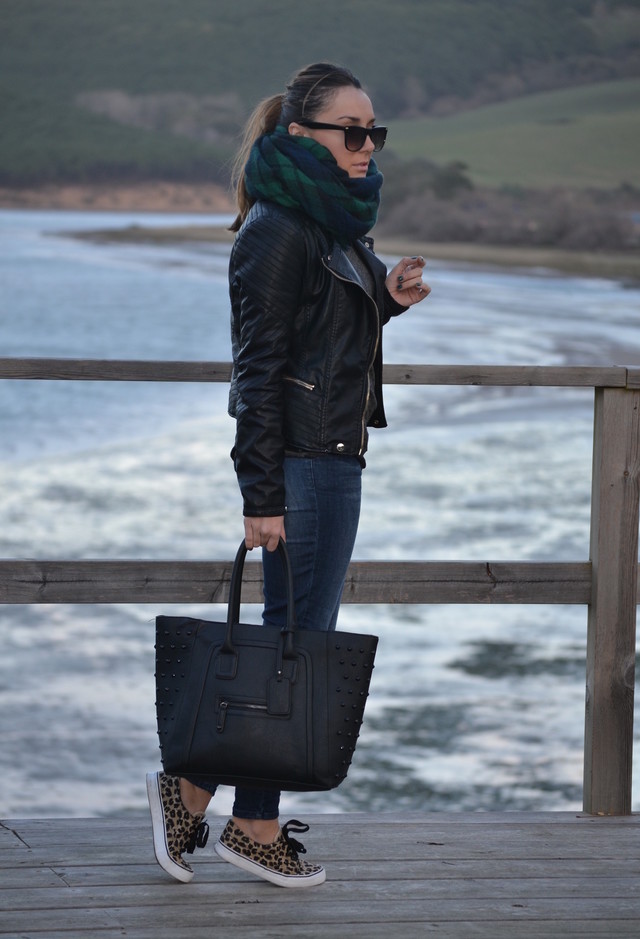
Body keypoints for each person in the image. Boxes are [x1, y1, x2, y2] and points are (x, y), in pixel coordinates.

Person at [147, 61, 430, 888]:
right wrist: (260, 496)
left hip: (334, 460)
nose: (368, 145)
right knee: (290, 645)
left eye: (375, 132)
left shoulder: (332, 221)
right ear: (301, 132)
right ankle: (220, 804)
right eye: (353, 131)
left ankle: (235, 812)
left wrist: (387, 299)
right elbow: (260, 373)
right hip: (303, 467)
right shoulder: (277, 229)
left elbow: (324, 333)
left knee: (295, 645)